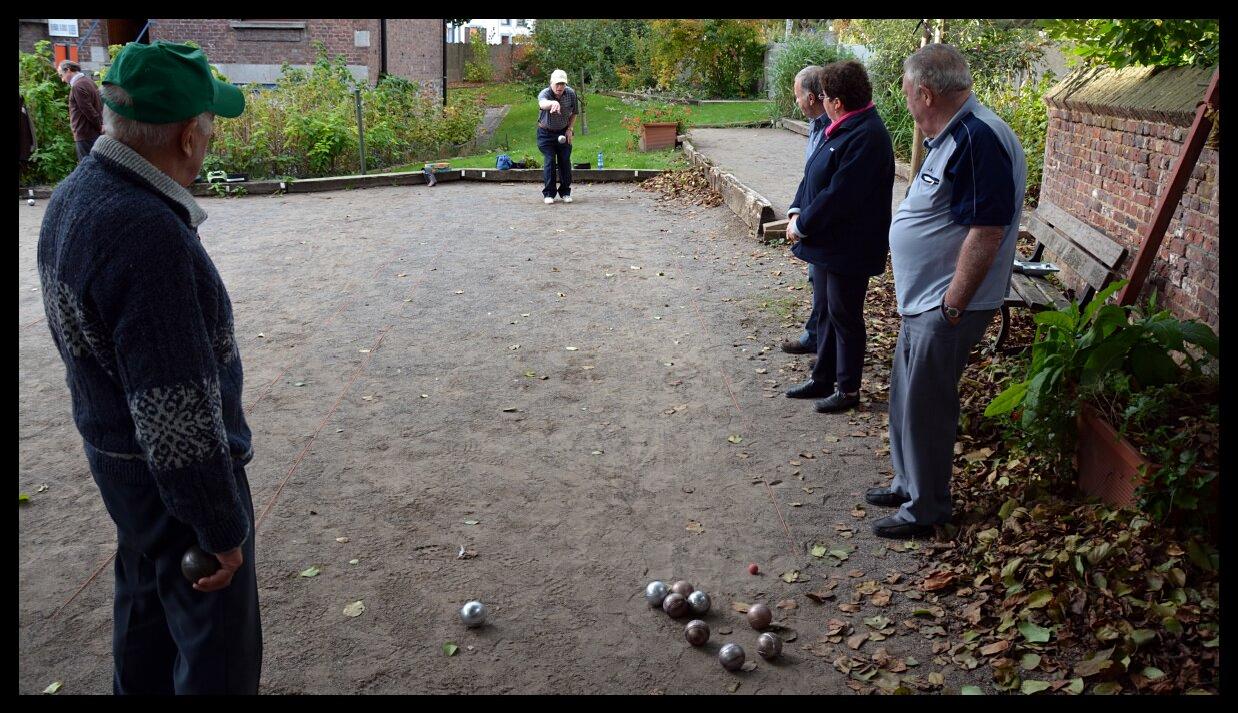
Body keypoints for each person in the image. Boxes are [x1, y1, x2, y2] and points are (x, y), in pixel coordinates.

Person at [37, 41, 261, 693]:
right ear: (189, 137)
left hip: (121, 468)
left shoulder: (75, 193)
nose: (213, 137)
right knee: (215, 653)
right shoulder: (148, 237)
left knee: (145, 618)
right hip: (173, 486)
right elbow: (178, 419)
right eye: (211, 125)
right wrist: (219, 524)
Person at [867, 43, 1026, 539]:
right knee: (906, 396)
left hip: (947, 304)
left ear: (925, 93)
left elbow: (986, 231)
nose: (906, 102)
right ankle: (907, 483)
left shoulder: (979, 138)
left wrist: (952, 305)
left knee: (928, 405)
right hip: (926, 300)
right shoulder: (952, 136)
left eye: (907, 93)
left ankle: (927, 507)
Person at [783, 60, 894, 414]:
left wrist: (802, 226)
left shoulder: (866, 135)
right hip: (830, 243)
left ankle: (848, 389)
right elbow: (813, 173)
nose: (823, 102)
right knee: (829, 313)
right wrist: (796, 209)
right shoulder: (843, 126)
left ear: (837, 102)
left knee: (845, 316)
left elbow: (839, 194)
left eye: (826, 96)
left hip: (850, 246)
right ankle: (823, 377)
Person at [781, 66, 831, 357]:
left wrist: (804, 220)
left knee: (824, 284)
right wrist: (794, 210)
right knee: (816, 279)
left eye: (798, 96)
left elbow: (830, 187)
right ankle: (816, 336)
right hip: (810, 217)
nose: (796, 102)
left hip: (823, 221)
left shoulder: (832, 129)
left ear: (811, 97)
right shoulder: (815, 126)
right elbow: (809, 175)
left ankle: (820, 341)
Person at [536, 68, 578, 204]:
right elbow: (542, 103)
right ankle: (549, 193)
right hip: (545, 134)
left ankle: (565, 192)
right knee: (549, 160)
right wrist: (553, 103)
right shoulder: (545, 93)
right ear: (551, 83)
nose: (560, 87)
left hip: (563, 132)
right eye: (557, 84)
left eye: (563, 84)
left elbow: (574, 113)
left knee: (565, 161)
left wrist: (570, 129)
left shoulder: (571, 93)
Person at [57, 59, 103, 162]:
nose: (62, 80)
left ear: (68, 70)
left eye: (61, 75)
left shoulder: (77, 86)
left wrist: (100, 127)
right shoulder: (89, 81)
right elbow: (99, 106)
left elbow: (89, 111)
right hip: (93, 133)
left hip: (85, 135)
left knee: (87, 169)